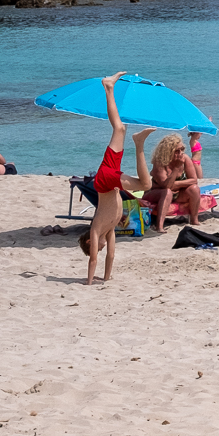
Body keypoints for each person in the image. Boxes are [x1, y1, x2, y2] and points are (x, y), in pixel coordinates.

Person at [78, 73, 132, 284]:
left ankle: (108, 87)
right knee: (121, 128)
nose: (98, 250)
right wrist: (106, 278)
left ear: (91, 241)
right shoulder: (108, 230)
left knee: (118, 128)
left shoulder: (97, 229)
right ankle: (109, 88)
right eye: (98, 248)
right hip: (109, 182)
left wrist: (89, 281)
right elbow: (111, 255)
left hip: (104, 181)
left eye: (95, 247)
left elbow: (93, 260)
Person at [143, 133, 205, 226]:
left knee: (194, 189)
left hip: (177, 193)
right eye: (177, 151)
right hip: (157, 193)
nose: (180, 153)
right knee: (167, 192)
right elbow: (166, 186)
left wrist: (174, 184)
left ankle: (194, 220)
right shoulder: (160, 162)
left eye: (182, 149)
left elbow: (193, 180)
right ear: (168, 151)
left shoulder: (185, 158)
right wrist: (176, 168)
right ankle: (159, 226)